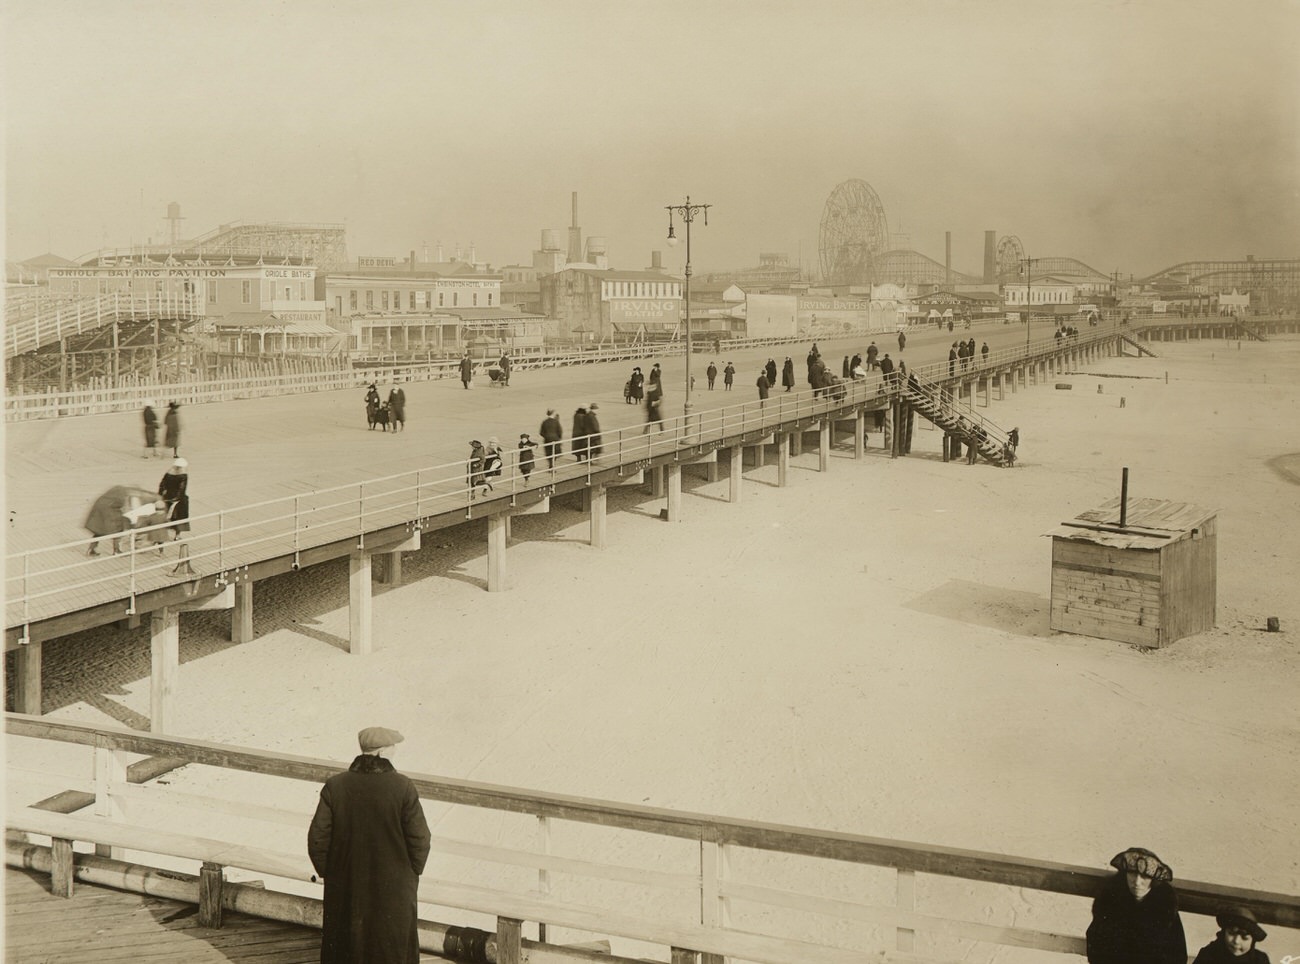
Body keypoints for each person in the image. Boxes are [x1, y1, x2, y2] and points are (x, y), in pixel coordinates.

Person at [308, 726, 431, 964]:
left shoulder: (335, 785)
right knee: (391, 944)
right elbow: (420, 838)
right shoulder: (403, 786)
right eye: (393, 747)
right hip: (394, 885)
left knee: (345, 943)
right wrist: (411, 872)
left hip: (346, 880)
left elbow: (317, 838)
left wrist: (330, 872)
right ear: (382, 752)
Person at [1086, 846, 1186, 964]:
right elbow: (1095, 944)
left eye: (1144, 876)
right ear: (1125, 875)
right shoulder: (1109, 903)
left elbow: (1177, 956)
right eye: (1132, 874)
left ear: (1153, 880)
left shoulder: (1165, 909)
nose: (1137, 882)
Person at [1192, 907, 1269, 964]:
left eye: (1244, 938)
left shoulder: (1260, 960)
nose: (1236, 941)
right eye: (1231, 933)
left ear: (1253, 941)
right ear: (1223, 933)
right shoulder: (1208, 954)